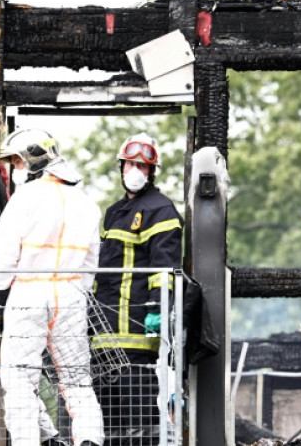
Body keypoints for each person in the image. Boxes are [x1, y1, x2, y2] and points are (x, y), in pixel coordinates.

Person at [0, 128, 104, 446]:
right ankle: (87, 441)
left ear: (29, 159)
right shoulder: (88, 204)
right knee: (77, 381)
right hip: (70, 295)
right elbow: (90, 264)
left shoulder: (24, 199)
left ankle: (32, 441)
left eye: (15, 161)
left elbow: (6, 259)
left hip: (28, 293)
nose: (15, 168)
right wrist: (78, 295)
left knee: (20, 379)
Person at [92, 133, 183, 445]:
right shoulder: (113, 212)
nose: (135, 171)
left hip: (135, 339)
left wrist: (158, 311)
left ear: (152, 172)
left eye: (142, 167)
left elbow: (165, 269)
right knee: (104, 425)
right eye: (130, 163)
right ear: (121, 166)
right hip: (102, 337)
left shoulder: (162, 210)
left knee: (138, 422)